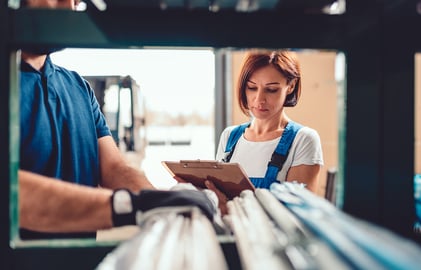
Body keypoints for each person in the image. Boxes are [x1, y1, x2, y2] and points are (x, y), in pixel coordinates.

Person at [18, 0, 215, 239]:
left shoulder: (79, 87)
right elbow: (13, 194)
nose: (69, 6)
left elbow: (114, 168)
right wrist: (130, 205)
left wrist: (163, 203)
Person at [215, 50, 324, 193]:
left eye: (271, 89)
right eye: (252, 87)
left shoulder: (303, 139)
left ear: (291, 86)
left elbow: (294, 211)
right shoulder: (229, 137)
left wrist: (226, 205)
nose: (259, 99)